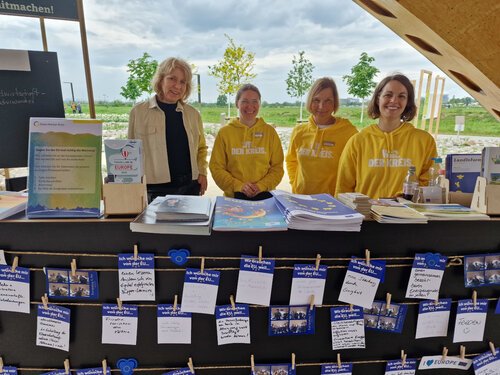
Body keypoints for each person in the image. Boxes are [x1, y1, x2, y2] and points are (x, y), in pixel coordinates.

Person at [336, 73, 437, 199]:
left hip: (409, 216)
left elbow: (429, 184)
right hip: (367, 216)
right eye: (388, 95)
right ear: (378, 99)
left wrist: (401, 198)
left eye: (401, 96)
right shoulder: (358, 141)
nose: (394, 101)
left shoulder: (424, 141)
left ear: (408, 102)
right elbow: (343, 189)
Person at [128, 57, 208, 202]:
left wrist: (202, 172)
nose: (177, 86)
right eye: (172, 78)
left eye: (183, 82)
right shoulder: (138, 112)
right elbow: (131, 153)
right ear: (160, 80)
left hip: (189, 187)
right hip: (153, 189)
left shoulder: (193, 114)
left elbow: (201, 148)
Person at [209, 84, 284, 200]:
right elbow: (216, 168)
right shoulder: (225, 133)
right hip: (234, 197)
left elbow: (277, 168)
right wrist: (239, 186)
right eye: (245, 101)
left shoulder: (270, 132)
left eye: (255, 101)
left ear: (259, 104)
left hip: (265, 196)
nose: (250, 106)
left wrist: (261, 185)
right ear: (236, 104)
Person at [285, 77, 358, 196]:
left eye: (328, 100)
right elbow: (291, 161)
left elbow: (354, 170)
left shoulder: (349, 133)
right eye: (316, 100)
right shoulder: (299, 132)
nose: (321, 106)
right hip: (301, 200)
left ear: (335, 103)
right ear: (310, 101)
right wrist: (295, 184)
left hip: (333, 203)